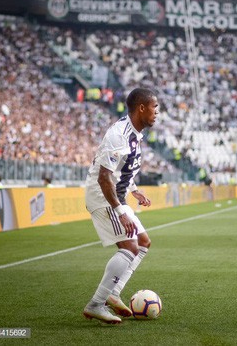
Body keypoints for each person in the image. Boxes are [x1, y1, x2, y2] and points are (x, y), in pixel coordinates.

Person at [82, 88, 159, 324]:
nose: (157, 113)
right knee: (129, 246)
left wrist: (134, 189)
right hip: (104, 195)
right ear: (142, 108)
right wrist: (119, 210)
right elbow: (104, 177)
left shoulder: (135, 134)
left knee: (143, 242)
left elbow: (121, 169)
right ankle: (96, 303)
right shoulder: (119, 134)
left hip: (118, 194)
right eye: (155, 107)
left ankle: (113, 293)